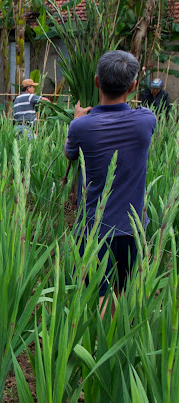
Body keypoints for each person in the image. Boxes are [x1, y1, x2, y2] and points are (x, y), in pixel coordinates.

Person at [64, 50, 156, 318]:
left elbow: (70, 154)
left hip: (94, 229)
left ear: (96, 82)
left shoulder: (81, 128)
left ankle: (97, 352)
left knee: (97, 295)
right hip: (133, 228)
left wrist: (77, 119)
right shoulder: (146, 121)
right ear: (133, 86)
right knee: (123, 294)